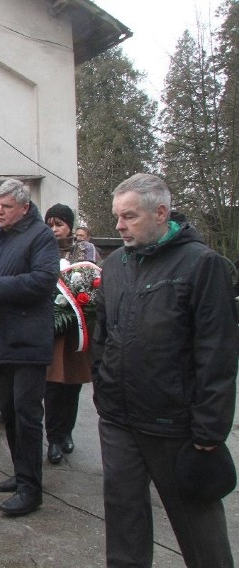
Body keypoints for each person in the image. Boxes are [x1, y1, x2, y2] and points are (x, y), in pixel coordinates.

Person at [92, 173, 238, 567]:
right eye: (116, 216)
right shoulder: (117, 264)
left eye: (129, 216)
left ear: (161, 212)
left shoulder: (202, 265)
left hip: (176, 426)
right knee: (124, 526)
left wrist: (209, 429)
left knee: (201, 535)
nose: (119, 226)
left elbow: (218, 352)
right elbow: (103, 331)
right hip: (119, 420)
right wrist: (102, 385)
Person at [0, 178, 58, 517]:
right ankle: (21, 474)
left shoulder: (41, 237)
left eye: (5, 207)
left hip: (28, 340)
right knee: (9, 414)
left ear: (24, 208)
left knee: (27, 414)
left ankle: (31, 488)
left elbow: (42, 281)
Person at [43, 203, 98, 464]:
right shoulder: (41, 251)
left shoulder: (85, 253)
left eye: (60, 224)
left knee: (72, 386)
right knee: (53, 386)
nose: (54, 230)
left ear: (70, 226)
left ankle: (67, 432)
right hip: (52, 332)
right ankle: (53, 437)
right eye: (50, 224)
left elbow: (94, 286)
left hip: (77, 331)